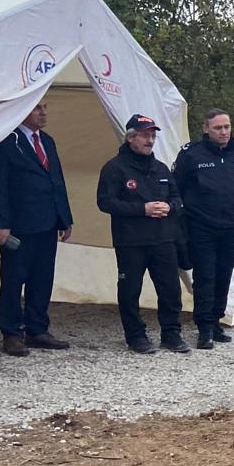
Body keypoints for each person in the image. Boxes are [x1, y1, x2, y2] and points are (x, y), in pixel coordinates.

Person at [0, 100, 73, 356]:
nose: (43, 112)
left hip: (47, 222)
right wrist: (0, 222)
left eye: (45, 107)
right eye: (37, 108)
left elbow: (56, 181)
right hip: (19, 225)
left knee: (42, 279)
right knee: (13, 280)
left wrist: (64, 217)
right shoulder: (7, 142)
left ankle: (37, 329)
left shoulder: (47, 141)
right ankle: (12, 332)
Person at [97, 114, 188, 354]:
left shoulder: (161, 168)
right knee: (130, 291)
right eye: (145, 135)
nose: (150, 140)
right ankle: (135, 336)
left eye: (153, 135)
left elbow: (177, 198)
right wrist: (142, 209)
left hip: (163, 239)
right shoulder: (114, 168)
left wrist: (170, 207)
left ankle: (171, 334)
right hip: (131, 241)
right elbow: (105, 203)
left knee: (170, 289)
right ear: (131, 138)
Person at [174, 109, 234, 350]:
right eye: (218, 128)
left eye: (226, 127)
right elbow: (177, 186)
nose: (223, 132)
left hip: (231, 226)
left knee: (223, 276)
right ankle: (204, 327)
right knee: (205, 276)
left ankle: (217, 320)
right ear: (206, 129)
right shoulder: (192, 155)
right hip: (201, 226)